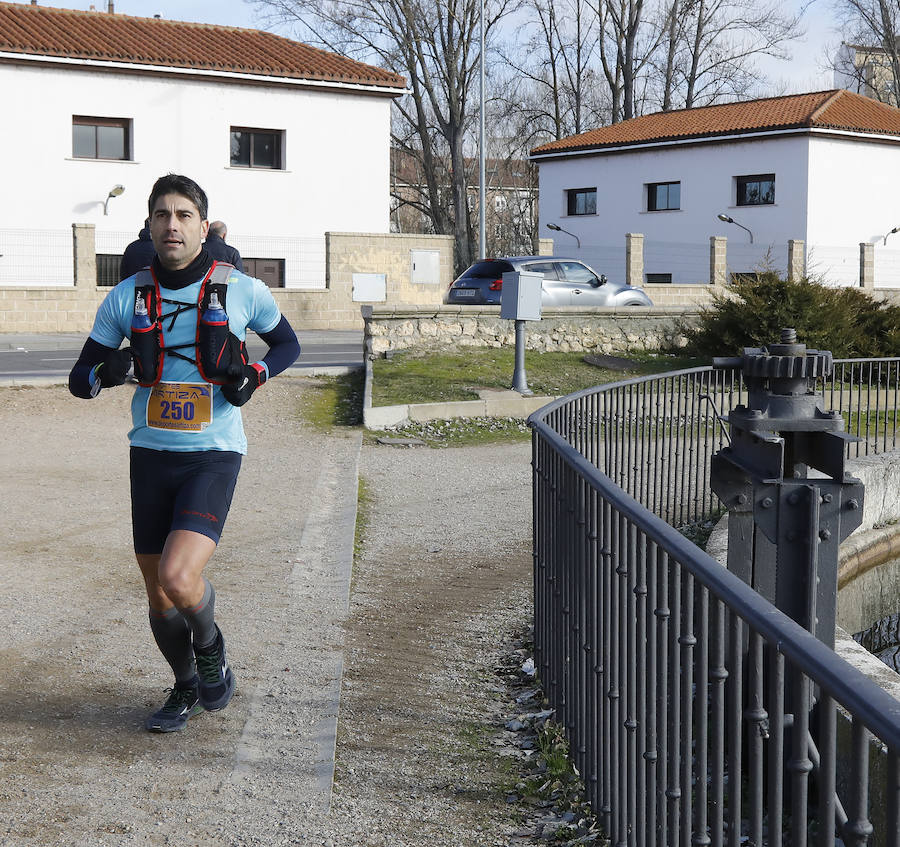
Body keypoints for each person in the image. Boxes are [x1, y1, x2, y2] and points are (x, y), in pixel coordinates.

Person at [69, 174, 301, 733]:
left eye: (183, 215)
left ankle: (211, 645)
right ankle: (184, 685)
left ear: (202, 225)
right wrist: (108, 370)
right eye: (161, 216)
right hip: (149, 455)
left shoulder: (241, 289)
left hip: (212, 454)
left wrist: (256, 374)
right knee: (158, 597)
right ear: (148, 226)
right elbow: (80, 378)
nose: (172, 225)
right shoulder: (127, 296)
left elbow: (288, 344)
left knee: (178, 574)